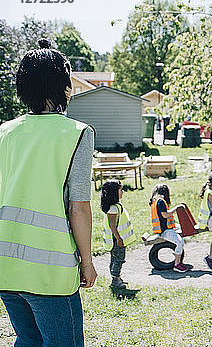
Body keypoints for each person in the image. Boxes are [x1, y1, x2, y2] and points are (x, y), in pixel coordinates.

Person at [0, 39, 97, 347]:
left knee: (27, 339)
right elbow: (78, 208)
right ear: (64, 86)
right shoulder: (78, 133)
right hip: (50, 273)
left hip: (5, 268)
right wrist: (87, 260)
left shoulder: (4, 132)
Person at [101, 179, 135, 288]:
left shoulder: (116, 205)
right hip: (116, 239)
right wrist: (119, 238)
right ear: (113, 193)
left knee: (115, 258)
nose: (123, 192)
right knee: (119, 259)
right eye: (121, 190)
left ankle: (117, 277)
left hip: (117, 238)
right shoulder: (113, 208)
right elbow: (112, 225)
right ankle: (115, 279)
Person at [149, 183, 191, 273]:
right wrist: (176, 208)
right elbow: (165, 215)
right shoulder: (160, 201)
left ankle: (177, 256)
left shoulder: (155, 201)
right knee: (180, 242)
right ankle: (177, 265)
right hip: (164, 231)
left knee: (180, 232)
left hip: (164, 229)